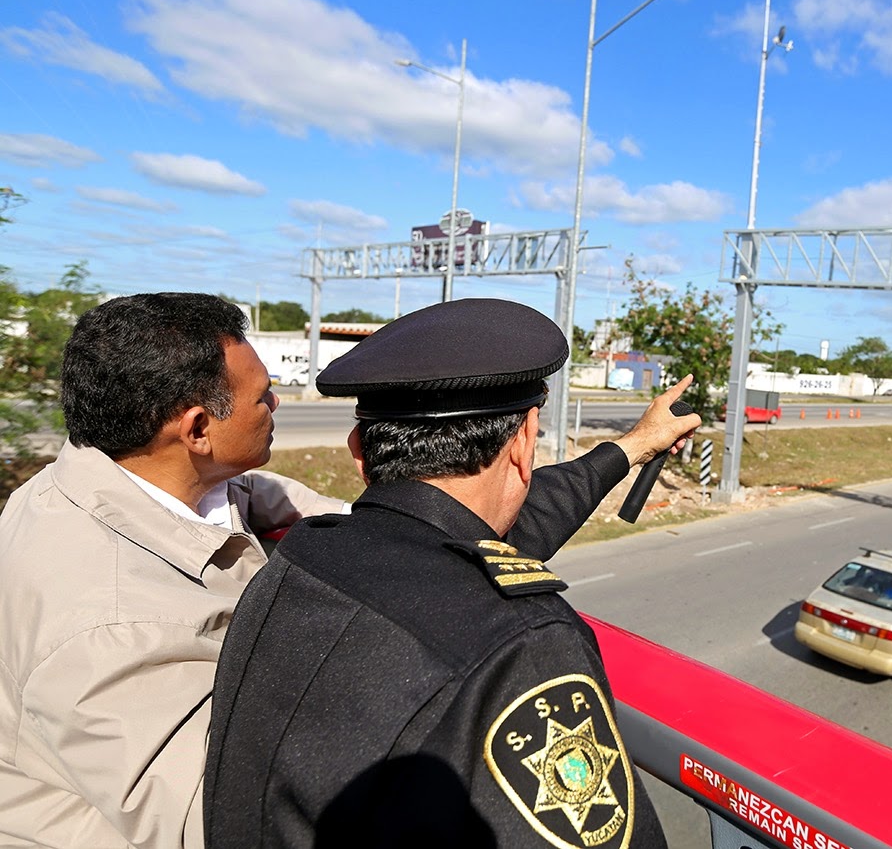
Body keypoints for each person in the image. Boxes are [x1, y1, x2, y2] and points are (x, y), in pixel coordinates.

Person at [0, 293, 696, 849]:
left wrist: (628, 447)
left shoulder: (197, 492)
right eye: (263, 398)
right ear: (195, 428)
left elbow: (429, 533)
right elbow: (221, 818)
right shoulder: (108, 619)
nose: (277, 406)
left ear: (361, 450)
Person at [204, 299, 699, 848]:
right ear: (524, 442)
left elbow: (483, 526)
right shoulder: (524, 644)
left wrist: (630, 448)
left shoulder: (303, 555)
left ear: (359, 451)